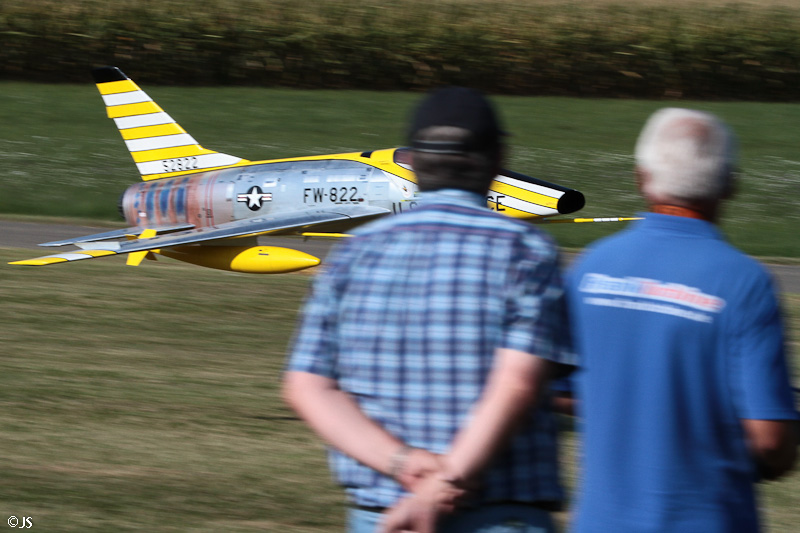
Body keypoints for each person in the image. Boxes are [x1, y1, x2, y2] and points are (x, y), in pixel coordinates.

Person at [283, 86, 575, 533]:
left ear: (412, 163)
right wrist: (444, 483)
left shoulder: (354, 251)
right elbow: (516, 382)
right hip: (499, 513)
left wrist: (405, 466)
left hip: (385, 517)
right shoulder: (526, 248)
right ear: (498, 162)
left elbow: (306, 386)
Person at [566, 107, 799, 532]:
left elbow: (556, 388)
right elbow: (770, 440)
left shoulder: (588, 268)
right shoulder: (744, 282)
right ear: (730, 183)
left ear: (641, 177)